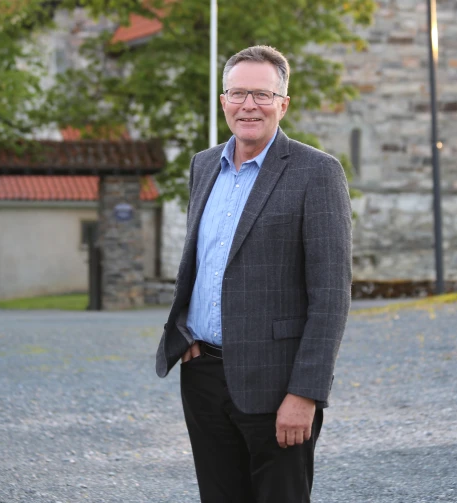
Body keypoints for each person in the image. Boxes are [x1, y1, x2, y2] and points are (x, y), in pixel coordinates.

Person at [155, 45, 353, 503]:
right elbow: (201, 267)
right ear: (222, 101)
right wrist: (186, 335)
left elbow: (330, 297)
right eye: (238, 93)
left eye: (262, 95)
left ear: (283, 104)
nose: (249, 105)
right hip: (202, 375)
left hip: (277, 385)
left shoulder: (316, 173)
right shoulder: (203, 165)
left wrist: (305, 394)